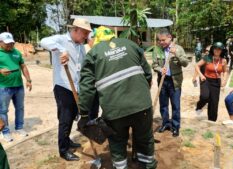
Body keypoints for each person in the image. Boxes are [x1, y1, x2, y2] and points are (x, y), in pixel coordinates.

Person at [78, 26, 157, 169]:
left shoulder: (93, 54)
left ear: (96, 39)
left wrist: (83, 114)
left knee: (117, 142)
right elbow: (147, 73)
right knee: (145, 140)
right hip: (142, 106)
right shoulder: (130, 45)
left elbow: (86, 88)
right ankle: (148, 165)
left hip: (114, 111)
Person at [40, 18, 92, 161]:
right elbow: (43, 41)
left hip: (76, 87)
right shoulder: (61, 39)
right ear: (75, 30)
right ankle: (63, 150)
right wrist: (62, 51)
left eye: (88, 34)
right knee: (65, 119)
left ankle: (67, 140)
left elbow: (81, 66)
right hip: (63, 86)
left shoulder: (81, 45)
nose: (86, 37)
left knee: (72, 116)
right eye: (84, 33)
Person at [152, 28, 189, 137]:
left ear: (169, 38)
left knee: (175, 105)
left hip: (175, 81)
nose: (161, 42)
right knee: (163, 104)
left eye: (163, 40)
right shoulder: (157, 50)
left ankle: (176, 126)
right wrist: (160, 69)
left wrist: (176, 54)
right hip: (163, 81)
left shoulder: (178, 48)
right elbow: (154, 65)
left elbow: (185, 63)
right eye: (159, 40)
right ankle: (165, 123)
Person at [0, 32, 31, 142]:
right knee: (3, 111)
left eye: (11, 43)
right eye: (7, 43)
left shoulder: (17, 52)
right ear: (0, 42)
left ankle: (19, 127)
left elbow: (23, 66)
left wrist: (28, 80)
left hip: (18, 86)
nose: (10, 45)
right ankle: (5, 132)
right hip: (3, 87)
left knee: (20, 108)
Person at [192, 42, 228, 121]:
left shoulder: (223, 61)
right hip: (206, 80)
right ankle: (199, 106)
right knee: (205, 96)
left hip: (216, 82)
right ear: (213, 49)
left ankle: (212, 120)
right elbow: (197, 65)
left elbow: (225, 71)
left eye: (219, 49)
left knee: (214, 103)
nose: (217, 50)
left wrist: (224, 80)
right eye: (215, 48)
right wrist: (201, 75)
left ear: (222, 51)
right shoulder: (207, 57)